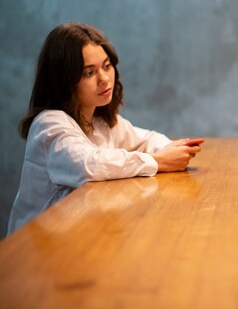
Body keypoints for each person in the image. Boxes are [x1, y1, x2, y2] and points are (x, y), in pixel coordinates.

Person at [8, 22, 202, 234]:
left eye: (107, 66)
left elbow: (147, 139)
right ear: (64, 80)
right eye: (89, 73)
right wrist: (157, 161)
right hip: (35, 251)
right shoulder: (49, 123)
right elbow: (87, 165)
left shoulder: (100, 121)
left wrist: (173, 148)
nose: (104, 79)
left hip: (78, 236)